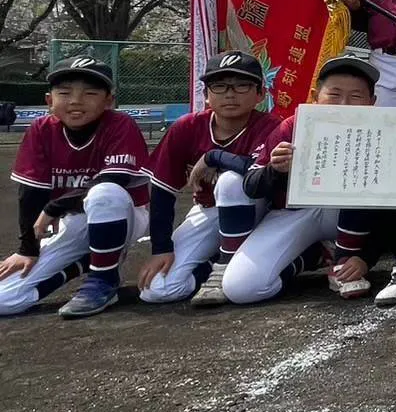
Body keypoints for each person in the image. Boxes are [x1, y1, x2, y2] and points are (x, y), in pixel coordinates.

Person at [213, 56, 396, 306]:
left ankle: (344, 258)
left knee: (359, 181)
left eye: (356, 96)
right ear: (315, 96)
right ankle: (312, 255)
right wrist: (275, 170)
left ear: (372, 102)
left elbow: (393, 210)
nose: (344, 104)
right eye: (334, 95)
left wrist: (366, 257)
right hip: (295, 213)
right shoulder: (292, 126)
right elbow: (251, 186)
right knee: (242, 288)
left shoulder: (384, 132)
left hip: (349, 218)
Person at [0, 57, 149, 318]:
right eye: (65, 93)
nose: (76, 101)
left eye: (90, 93)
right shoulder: (41, 129)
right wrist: (27, 250)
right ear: (49, 100)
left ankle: (103, 281)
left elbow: (114, 179)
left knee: (105, 194)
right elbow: (31, 192)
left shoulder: (120, 124)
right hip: (75, 219)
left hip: (127, 216)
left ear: (109, 101)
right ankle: (90, 264)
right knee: (5, 299)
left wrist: (54, 207)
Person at [136, 52, 279, 307]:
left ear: (260, 94)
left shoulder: (270, 126)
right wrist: (161, 249)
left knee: (231, 181)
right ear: (206, 94)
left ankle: (227, 266)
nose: (230, 94)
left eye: (242, 85)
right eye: (219, 86)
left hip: (262, 213)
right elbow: (162, 190)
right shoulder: (187, 127)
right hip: (209, 210)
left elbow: (256, 172)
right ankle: (215, 264)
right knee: (158, 289)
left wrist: (215, 157)